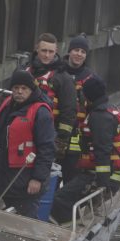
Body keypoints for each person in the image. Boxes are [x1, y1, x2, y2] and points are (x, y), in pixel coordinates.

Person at [0, 70, 56, 218]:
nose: (19, 92)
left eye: (24, 88)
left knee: (24, 218)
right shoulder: (7, 105)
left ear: (31, 90)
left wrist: (37, 179)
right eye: (16, 88)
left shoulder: (41, 113)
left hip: (24, 180)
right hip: (1, 175)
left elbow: (47, 149)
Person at [51, 76, 120, 224]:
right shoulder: (111, 110)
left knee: (59, 199)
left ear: (88, 95)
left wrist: (102, 184)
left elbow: (102, 151)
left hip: (101, 177)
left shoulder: (100, 117)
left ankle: (64, 229)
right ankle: (74, 222)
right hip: (112, 174)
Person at [25, 33, 76, 166]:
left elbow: (68, 112)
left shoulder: (63, 78)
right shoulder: (24, 71)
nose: (47, 55)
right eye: (43, 51)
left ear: (56, 52)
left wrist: (60, 141)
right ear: (37, 49)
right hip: (22, 129)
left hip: (47, 134)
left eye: (50, 51)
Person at [61, 34, 96, 184]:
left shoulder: (90, 78)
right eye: (76, 50)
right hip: (54, 130)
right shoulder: (57, 72)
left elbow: (94, 108)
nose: (79, 54)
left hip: (76, 136)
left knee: (71, 172)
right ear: (69, 51)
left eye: (83, 52)